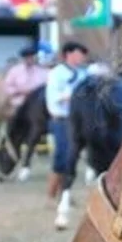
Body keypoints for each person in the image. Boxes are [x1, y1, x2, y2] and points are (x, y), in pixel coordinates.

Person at [44, 41, 90, 202]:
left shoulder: (84, 74)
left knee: (72, 158)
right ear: (68, 54)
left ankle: (64, 193)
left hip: (78, 120)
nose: (81, 57)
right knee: (61, 155)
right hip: (62, 118)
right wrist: (71, 96)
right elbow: (53, 97)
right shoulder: (57, 73)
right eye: (78, 53)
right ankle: (51, 194)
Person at [3, 44, 49, 113]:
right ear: (23, 58)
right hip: (19, 104)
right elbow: (7, 87)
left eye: (32, 56)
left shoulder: (43, 72)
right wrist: (19, 91)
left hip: (37, 106)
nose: (30, 59)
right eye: (27, 57)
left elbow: (47, 87)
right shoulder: (15, 71)